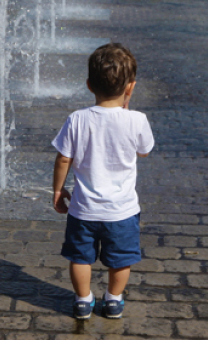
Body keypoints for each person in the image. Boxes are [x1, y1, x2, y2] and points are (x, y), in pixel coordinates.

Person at [52, 43, 154, 320]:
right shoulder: (137, 120)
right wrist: (128, 110)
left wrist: (58, 190)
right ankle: (113, 300)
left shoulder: (77, 120)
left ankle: (83, 301)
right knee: (121, 259)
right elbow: (144, 150)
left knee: (80, 257)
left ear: (88, 85)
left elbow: (63, 159)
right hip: (122, 211)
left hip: (83, 209)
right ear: (130, 87)